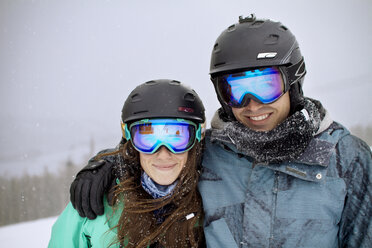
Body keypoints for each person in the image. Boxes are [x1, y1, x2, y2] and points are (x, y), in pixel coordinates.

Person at [69, 15, 372, 247]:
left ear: (294, 82)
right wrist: (107, 163)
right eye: (235, 90)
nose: (251, 105)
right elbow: (158, 152)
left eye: (265, 86)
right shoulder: (213, 150)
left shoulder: (346, 159)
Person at [49, 79, 206, 248]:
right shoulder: (93, 207)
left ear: (197, 137)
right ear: (130, 140)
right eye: (147, 138)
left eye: (177, 137)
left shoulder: (213, 201)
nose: (163, 153)